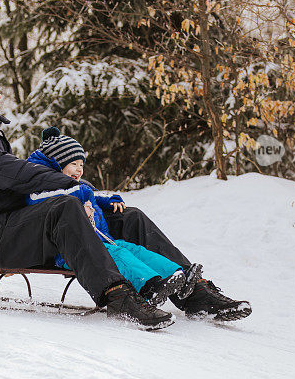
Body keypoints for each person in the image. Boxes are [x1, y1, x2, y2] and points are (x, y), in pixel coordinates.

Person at [0, 65, 250, 329]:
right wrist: (75, 189)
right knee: (64, 206)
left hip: (19, 228)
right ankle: (118, 295)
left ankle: (195, 292)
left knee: (126, 216)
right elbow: (10, 172)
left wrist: (91, 198)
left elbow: (20, 178)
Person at [25, 127, 204, 307]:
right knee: (118, 253)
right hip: (71, 250)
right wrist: (78, 193)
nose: (79, 169)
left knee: (132, 249)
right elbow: (40, 200)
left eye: (81, 164)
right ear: (57, 163)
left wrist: (108, 200)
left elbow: (91, 195)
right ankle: (149, 286)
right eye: (73, 164)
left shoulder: (74, 185)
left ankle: (176, 276)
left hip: (99, 241)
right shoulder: (44, 185)